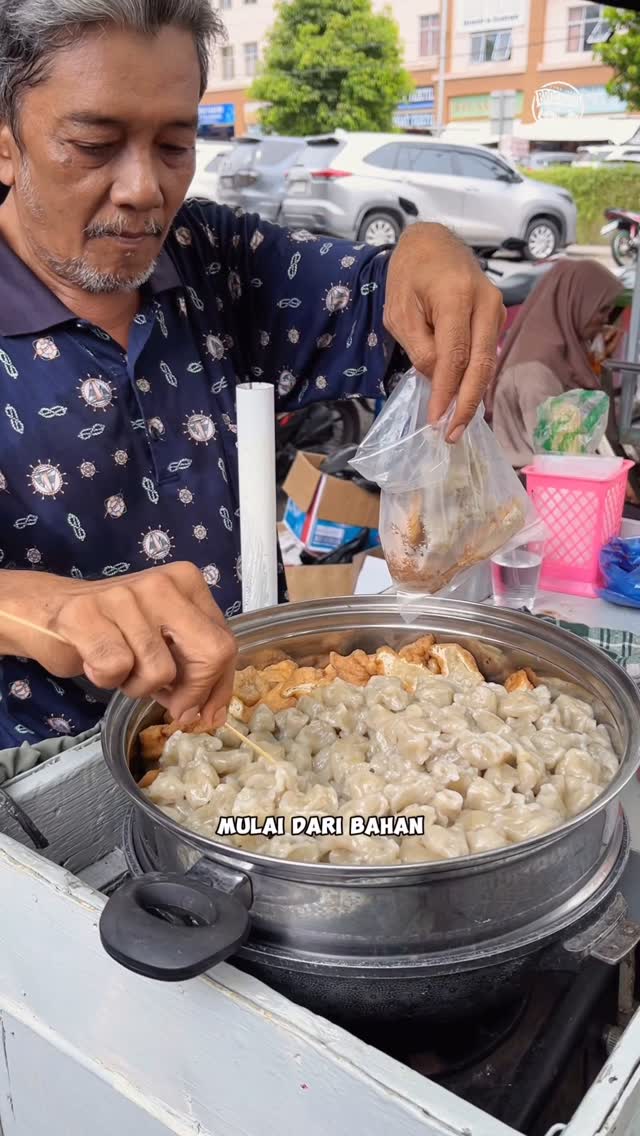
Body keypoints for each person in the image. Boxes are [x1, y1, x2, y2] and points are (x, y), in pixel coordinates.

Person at [0, 0, 504, 748]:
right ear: (6, 146)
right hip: (42, 780)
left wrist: (429, 247)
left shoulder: (215, 256)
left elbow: (388, 302)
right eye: (93, 144)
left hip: (251, 729)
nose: (144, 189)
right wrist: (40, 606)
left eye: (173, 146)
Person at [488, 258, 622, 470]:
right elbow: (561, 452)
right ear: (576, 303)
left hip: (548, 474)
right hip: (530, 484)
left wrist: (597, 365)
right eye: (601, 310)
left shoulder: (563, 351)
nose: (605, 321)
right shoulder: (536, 369)